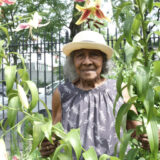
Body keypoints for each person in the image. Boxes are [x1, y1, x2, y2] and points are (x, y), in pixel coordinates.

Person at [40, 30, 159, 158]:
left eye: (94, 55)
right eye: (80, 55)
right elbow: (54, 134)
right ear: (73, 61)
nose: (87, 62)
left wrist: (152, 137)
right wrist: (46, 145)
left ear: (103, 60)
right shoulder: (63, 93)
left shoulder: (119, 90)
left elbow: (137, 130)